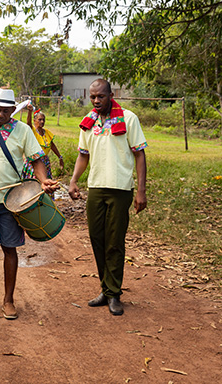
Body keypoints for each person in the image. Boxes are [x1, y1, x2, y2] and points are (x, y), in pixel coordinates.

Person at [0, 88, 59, 320]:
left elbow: (37, 159)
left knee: (10, 248)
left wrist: (43, 179)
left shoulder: (23, 130)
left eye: (5, 110)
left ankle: (8, 300)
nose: (0, 114)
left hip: (12, 202)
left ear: (12, 110)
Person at [68, 79, 148, 316]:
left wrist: (141, 191)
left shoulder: (128, 118)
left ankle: (114, 293)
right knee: (97, 239)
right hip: (96, 188)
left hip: (120, 189)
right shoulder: (89, 122)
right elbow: (84, 155)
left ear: (111, 95)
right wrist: (74, 180)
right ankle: (105, 289)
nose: (95, 100)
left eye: (100, 96)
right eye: (92, 97)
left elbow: (140, 155)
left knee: (115, 242)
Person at [22, 103, 65, 181]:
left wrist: (60, 157)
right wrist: (30, 111)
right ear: (34, 120)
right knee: (34, 183)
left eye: (43, 120)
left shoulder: (47, 133)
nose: (42, 121)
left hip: (45, 161)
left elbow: (52, 145)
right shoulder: (32, 131)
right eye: (40, 119)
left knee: (45, 182)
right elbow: (28, 123)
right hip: (34, 161)